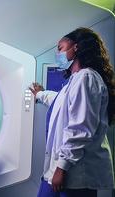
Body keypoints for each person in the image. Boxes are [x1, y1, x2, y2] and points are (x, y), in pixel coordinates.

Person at [30, 27, 115, 197]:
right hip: (65, 169)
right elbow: (60, 101)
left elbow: (81, 128)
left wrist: (62, 167)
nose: (58, 53)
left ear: (76, 47)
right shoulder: (75, 80)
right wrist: (39, 94)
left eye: (60, 48)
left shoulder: (86, 77)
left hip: (74, 173)